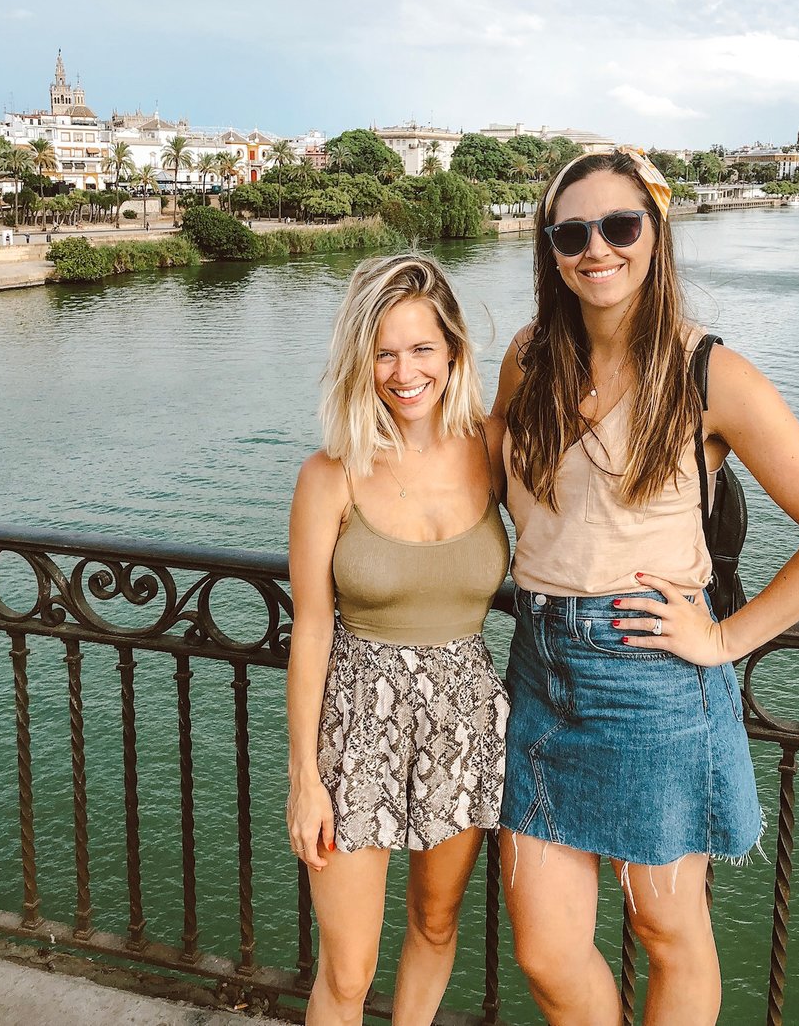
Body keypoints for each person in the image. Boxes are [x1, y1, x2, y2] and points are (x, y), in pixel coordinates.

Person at [493, 149, 799, 1026]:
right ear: (551, 249)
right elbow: (474, 479)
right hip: (539, 668)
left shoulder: (710, 373)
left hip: (653, 682)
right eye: (572, 231)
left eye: (620, 226)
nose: (598, 248)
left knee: (667, 931)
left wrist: (726, 638)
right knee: (546, 951)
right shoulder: (529, 359)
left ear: (655, 235)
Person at [286, 254, 510, 1026]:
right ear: (360, 360)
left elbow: (586, 506)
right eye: (383, 350)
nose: (404, 370)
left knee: (436, 922)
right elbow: (311, 627)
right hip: (356, 729)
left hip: (464, 721)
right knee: (348, 969)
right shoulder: (329, 474)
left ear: (452, 350)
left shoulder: (494, 448)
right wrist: (304, 777)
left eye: (421, 347)